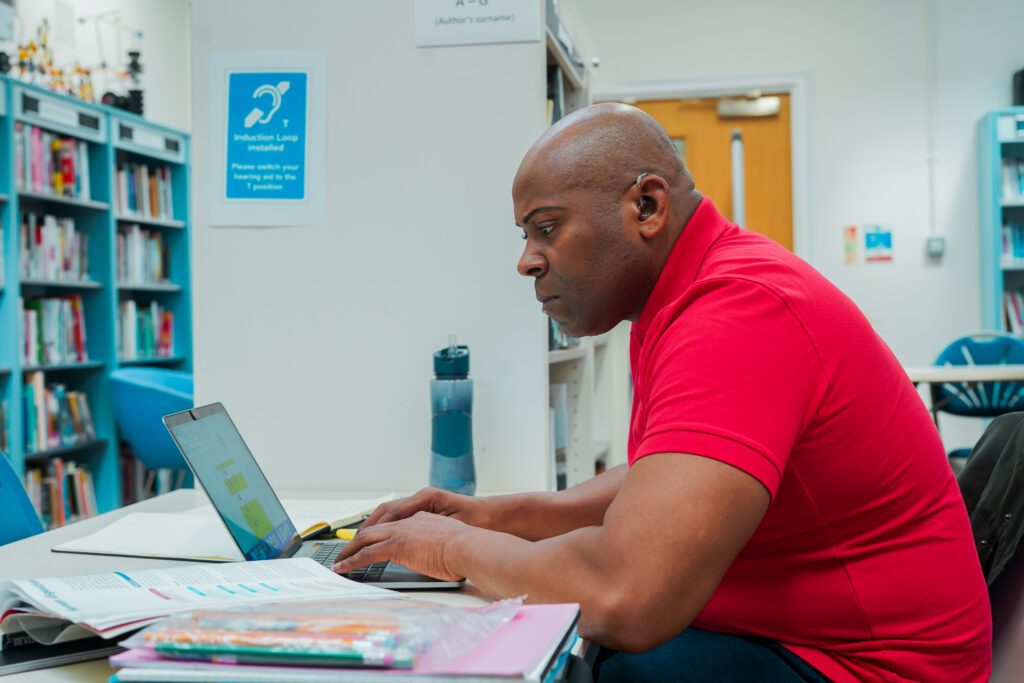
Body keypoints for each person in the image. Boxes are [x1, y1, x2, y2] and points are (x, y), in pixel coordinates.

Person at [334, 103, 991, 682]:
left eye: (547, 227)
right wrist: (492, 516)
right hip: (824, 644)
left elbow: (625, 591)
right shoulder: (686, 294)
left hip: (873, 668)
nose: (527, 259)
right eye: (526, 235)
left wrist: (445, 548)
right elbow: (665, 478)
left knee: (605, 655)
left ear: (645, 207)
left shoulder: (737, 311)